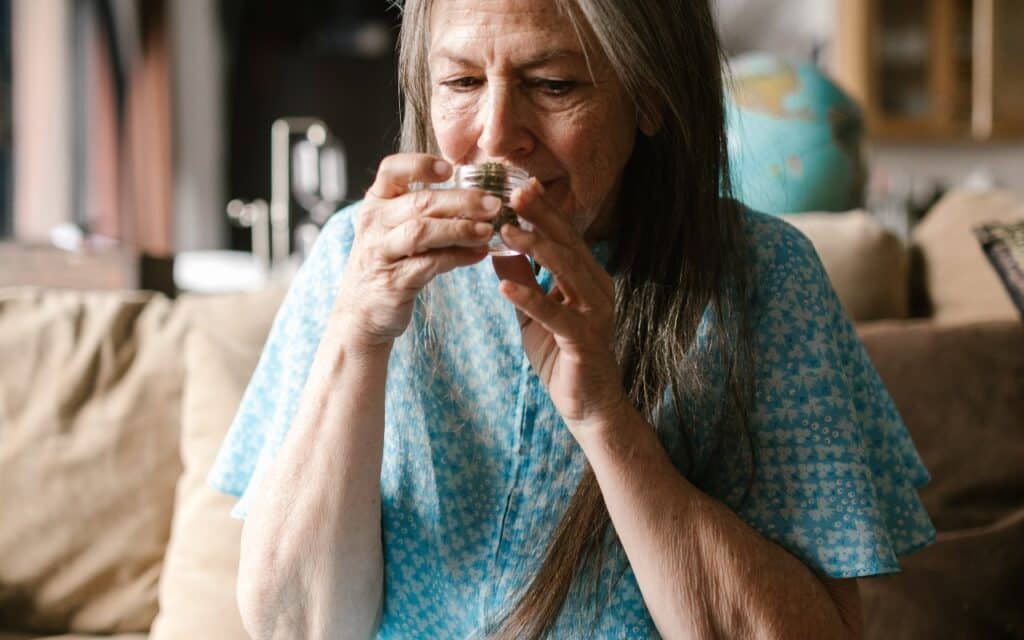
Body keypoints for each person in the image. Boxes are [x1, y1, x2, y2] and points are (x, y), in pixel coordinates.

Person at [208, 1, 936, 638]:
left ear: (648, 93)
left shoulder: (764, 277)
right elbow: (297, 626)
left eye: (553, 85)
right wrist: (356, 338)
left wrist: (605, 418)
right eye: (461, 82)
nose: (495, 138)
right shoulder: (353, 255)